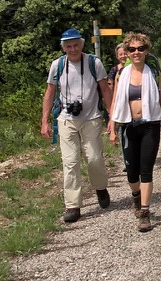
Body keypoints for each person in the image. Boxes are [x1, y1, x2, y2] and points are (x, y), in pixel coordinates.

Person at [41, 28, 114, 223]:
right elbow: (49, 92)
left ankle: (100, 187)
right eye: (68, 46)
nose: (72, 49)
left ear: (82, 45)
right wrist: (45, 121)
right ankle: (73, 205)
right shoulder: (57, 65)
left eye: (75, 45)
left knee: (95, 158)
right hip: (66, 119)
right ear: (63, 48)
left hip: (91, 118)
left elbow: (105, 90)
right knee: (70, 162)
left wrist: (112, 116)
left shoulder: (93, 63)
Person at [108, 33, 161, 232]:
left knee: (146, 170)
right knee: (131, 173)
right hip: (128, 126)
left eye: (140, 49)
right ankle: (136, 196)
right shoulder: (122, 74)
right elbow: (115, 101)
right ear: (127, 52)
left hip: (150, 125)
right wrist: (112, 127)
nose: (136, 52)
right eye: (132, 49)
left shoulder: (153, 73)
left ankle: (145, 213)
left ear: (146, 50)